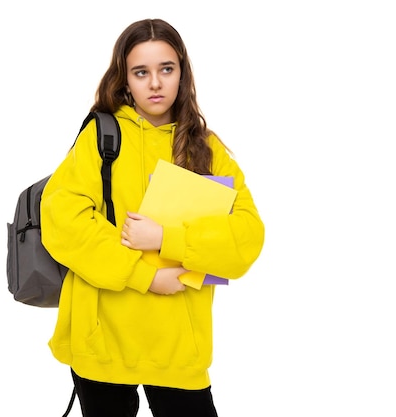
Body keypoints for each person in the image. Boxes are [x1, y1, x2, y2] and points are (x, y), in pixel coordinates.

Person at [40, 18, 265, 417]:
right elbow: (63, 222)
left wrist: (166, 238)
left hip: (177, 346)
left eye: (166, 69)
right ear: (125, 80)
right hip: (103, 341)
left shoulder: (208, 149)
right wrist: (147, 276)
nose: (155, 83)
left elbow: (246, 238)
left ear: (182, 73)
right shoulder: (102, 137)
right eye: (141, 72)